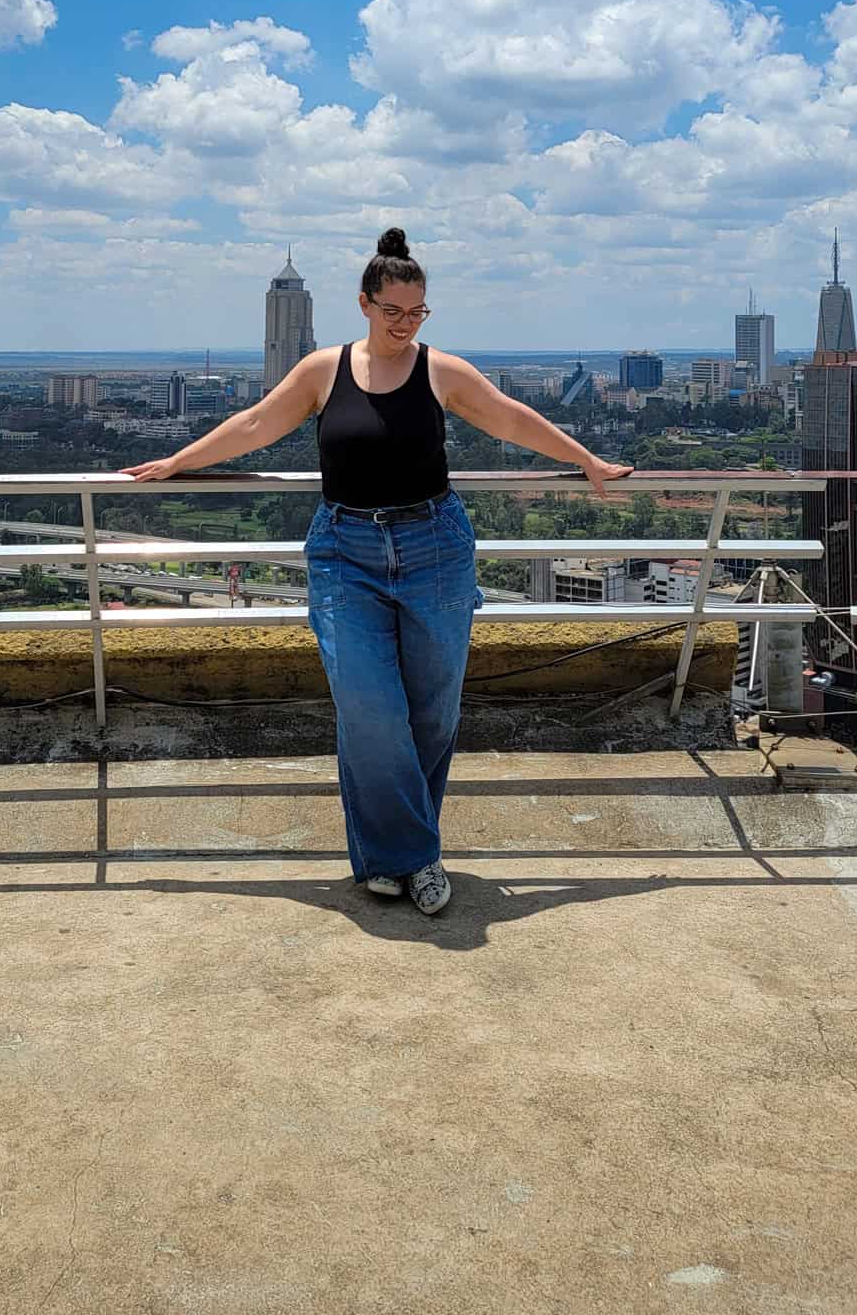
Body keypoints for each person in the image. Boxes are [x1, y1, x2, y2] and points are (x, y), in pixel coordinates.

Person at [122, 229, 633, 916]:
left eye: (418, 312)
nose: (405, 324)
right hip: (345, 552)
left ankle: (394, 858)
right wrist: (178, 462)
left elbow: (511, 419)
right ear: (364, 304)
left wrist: (586, 460)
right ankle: (416, 857)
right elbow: (253, 425)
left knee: (432, 710)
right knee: (369, 710)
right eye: (393, 311)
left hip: (436, 548)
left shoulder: (441, 371)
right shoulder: (322, 371)